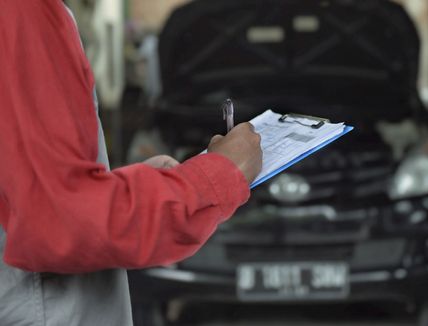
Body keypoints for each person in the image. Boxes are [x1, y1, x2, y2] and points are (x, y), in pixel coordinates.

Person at [0, 1, 262, 325]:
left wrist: (131, 188)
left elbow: (26, 192)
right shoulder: (21, 10)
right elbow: (61, 220)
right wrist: (218, 175)